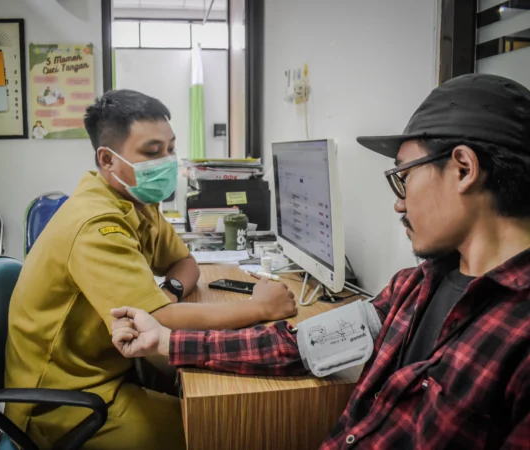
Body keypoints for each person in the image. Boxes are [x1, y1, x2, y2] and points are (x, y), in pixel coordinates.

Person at [111, 74, 530, 449]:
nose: (399, 203)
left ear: (463, 168)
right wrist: (166, 341)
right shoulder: (415, 286)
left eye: (404, 175)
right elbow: (300, 344)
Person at [4, 89, 297, 449]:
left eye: (170, 149)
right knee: (217, 428)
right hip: (64, 402)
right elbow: (161, 318)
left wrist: (169, 290)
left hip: (112, 369)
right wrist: (262, 308)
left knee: (219, 405)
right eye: (151, 152)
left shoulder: (137, 201)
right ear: (107, 159)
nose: (167, 161)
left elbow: (184, 263)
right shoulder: (96, 224)